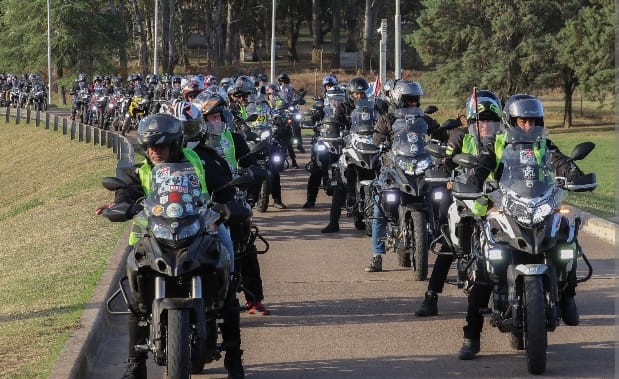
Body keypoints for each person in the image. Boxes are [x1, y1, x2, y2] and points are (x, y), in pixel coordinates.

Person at [96, 114, 244, 379]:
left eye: (160, 146)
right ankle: (136, 364)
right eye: (149, 146)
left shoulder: (203, 160)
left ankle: (234, 357)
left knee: (229, 267)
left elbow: (225, 190)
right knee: (135, 300)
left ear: (176, 144)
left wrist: (230, 205)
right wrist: (119, 206)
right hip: (153, 233)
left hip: (200, 227)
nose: (154, 152)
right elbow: (127, 193)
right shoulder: (139, 170)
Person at [457, 93, 585, 360]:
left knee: (566, 237)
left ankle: (567, 293)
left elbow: (560, 161)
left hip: (539, 205)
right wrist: (474, 182)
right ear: (510, 121)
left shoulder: (544, 145)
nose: (527, 126)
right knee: (483, 270)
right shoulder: (495, 143)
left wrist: (575, 175)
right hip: (505, 207)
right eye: (521, 121)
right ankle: (472, 336)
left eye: (532, 121)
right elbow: (482, 166)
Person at [415, 90, 502, 315]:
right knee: (449, 243)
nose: (486, 125)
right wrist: (446, 175)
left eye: (491, 120)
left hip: (498, 201)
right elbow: (446, 160)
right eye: (481, 120)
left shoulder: (505, 141)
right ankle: (431, 296)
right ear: (472, 121)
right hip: (466, 197)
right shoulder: (461, 137)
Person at [194, 95, 271, 315]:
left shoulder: (234, 138)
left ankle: (253, 299)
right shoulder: (193, 144)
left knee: (246, 247)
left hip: (231, 198)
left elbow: (249, 161)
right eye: (211, 117)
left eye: (218, 116)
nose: (216, 121)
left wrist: (254, 171)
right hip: (201, 203)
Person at [321, 77, 371, 233]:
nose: (359, 97)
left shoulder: (371, 108)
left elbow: (378, 121)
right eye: (356, 94)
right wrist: (335, 131)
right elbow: (335, 123)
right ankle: (333, 222)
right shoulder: (342, 108)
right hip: (349, 146)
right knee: (340, 184)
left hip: (367, 147)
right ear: (350, 94)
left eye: (362, 94)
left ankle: (376, 219)